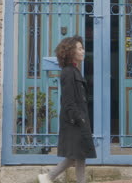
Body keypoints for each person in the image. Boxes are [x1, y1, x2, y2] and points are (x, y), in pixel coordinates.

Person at [38, 35, 96, 183]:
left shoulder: (74, 71)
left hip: (78, 119)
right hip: (74, 121)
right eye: (79, 48)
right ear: (71, 52)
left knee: (79, 155)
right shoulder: (68, 72)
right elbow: (68, 100)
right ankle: (48, 176)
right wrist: (79, 118)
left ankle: (48, 177)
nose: (83, 51)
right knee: (76, 155)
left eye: (82, 48)